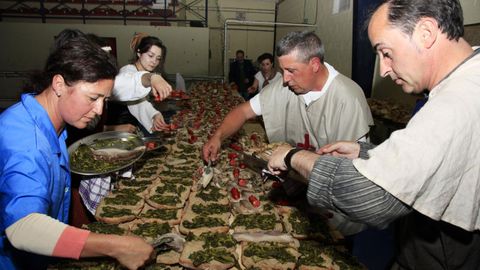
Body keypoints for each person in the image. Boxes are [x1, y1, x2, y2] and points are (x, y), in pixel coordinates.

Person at [267, 0, 480, 269]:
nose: (383, 70)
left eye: (386, 52)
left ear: (426, 33)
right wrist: (366, 153)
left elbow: (373, 198)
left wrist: (293, 157)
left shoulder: (458, 101)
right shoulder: (467, 80)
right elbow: (439, 164)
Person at [0, 30, 153, 269]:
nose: (100, 111)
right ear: (59, 84)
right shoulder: (26, 141)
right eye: (93, 98)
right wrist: (117, 246)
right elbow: (23, 228)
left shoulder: (54, 126)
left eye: (104, 99)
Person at [203, 31, 374, 235]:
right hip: (297, 192)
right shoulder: (287, 86)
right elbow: (242, 111)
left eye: (291, 70)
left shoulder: (348, 98)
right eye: (282, 70)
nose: (285, 79)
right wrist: (218, 136)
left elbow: (353, 172)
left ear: (315, 64)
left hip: (334, 208)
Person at [108, 33, 172, 134]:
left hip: (131, 125)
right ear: (139, 53)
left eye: (158, 58)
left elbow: (138, 102)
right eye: (150, 55)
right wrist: (152, 77)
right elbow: (131, 81)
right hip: (115, 125)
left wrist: (154, 114)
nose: (154, 61)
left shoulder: (141, 71)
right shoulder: (127, 70)